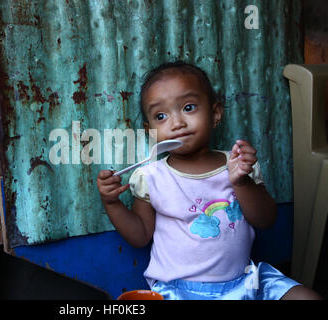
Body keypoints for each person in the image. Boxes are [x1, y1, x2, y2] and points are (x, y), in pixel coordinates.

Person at [97, 61, 322, 300]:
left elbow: (266, 220)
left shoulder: (238, 164)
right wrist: (112, 204)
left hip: (247, 282)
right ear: (149, 130)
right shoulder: (151, 177)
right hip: (180, 292)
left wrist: (241, 182)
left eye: (189, 107)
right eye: (161, 116)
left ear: (215, 113)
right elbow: (140, 235)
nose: (177, 123)